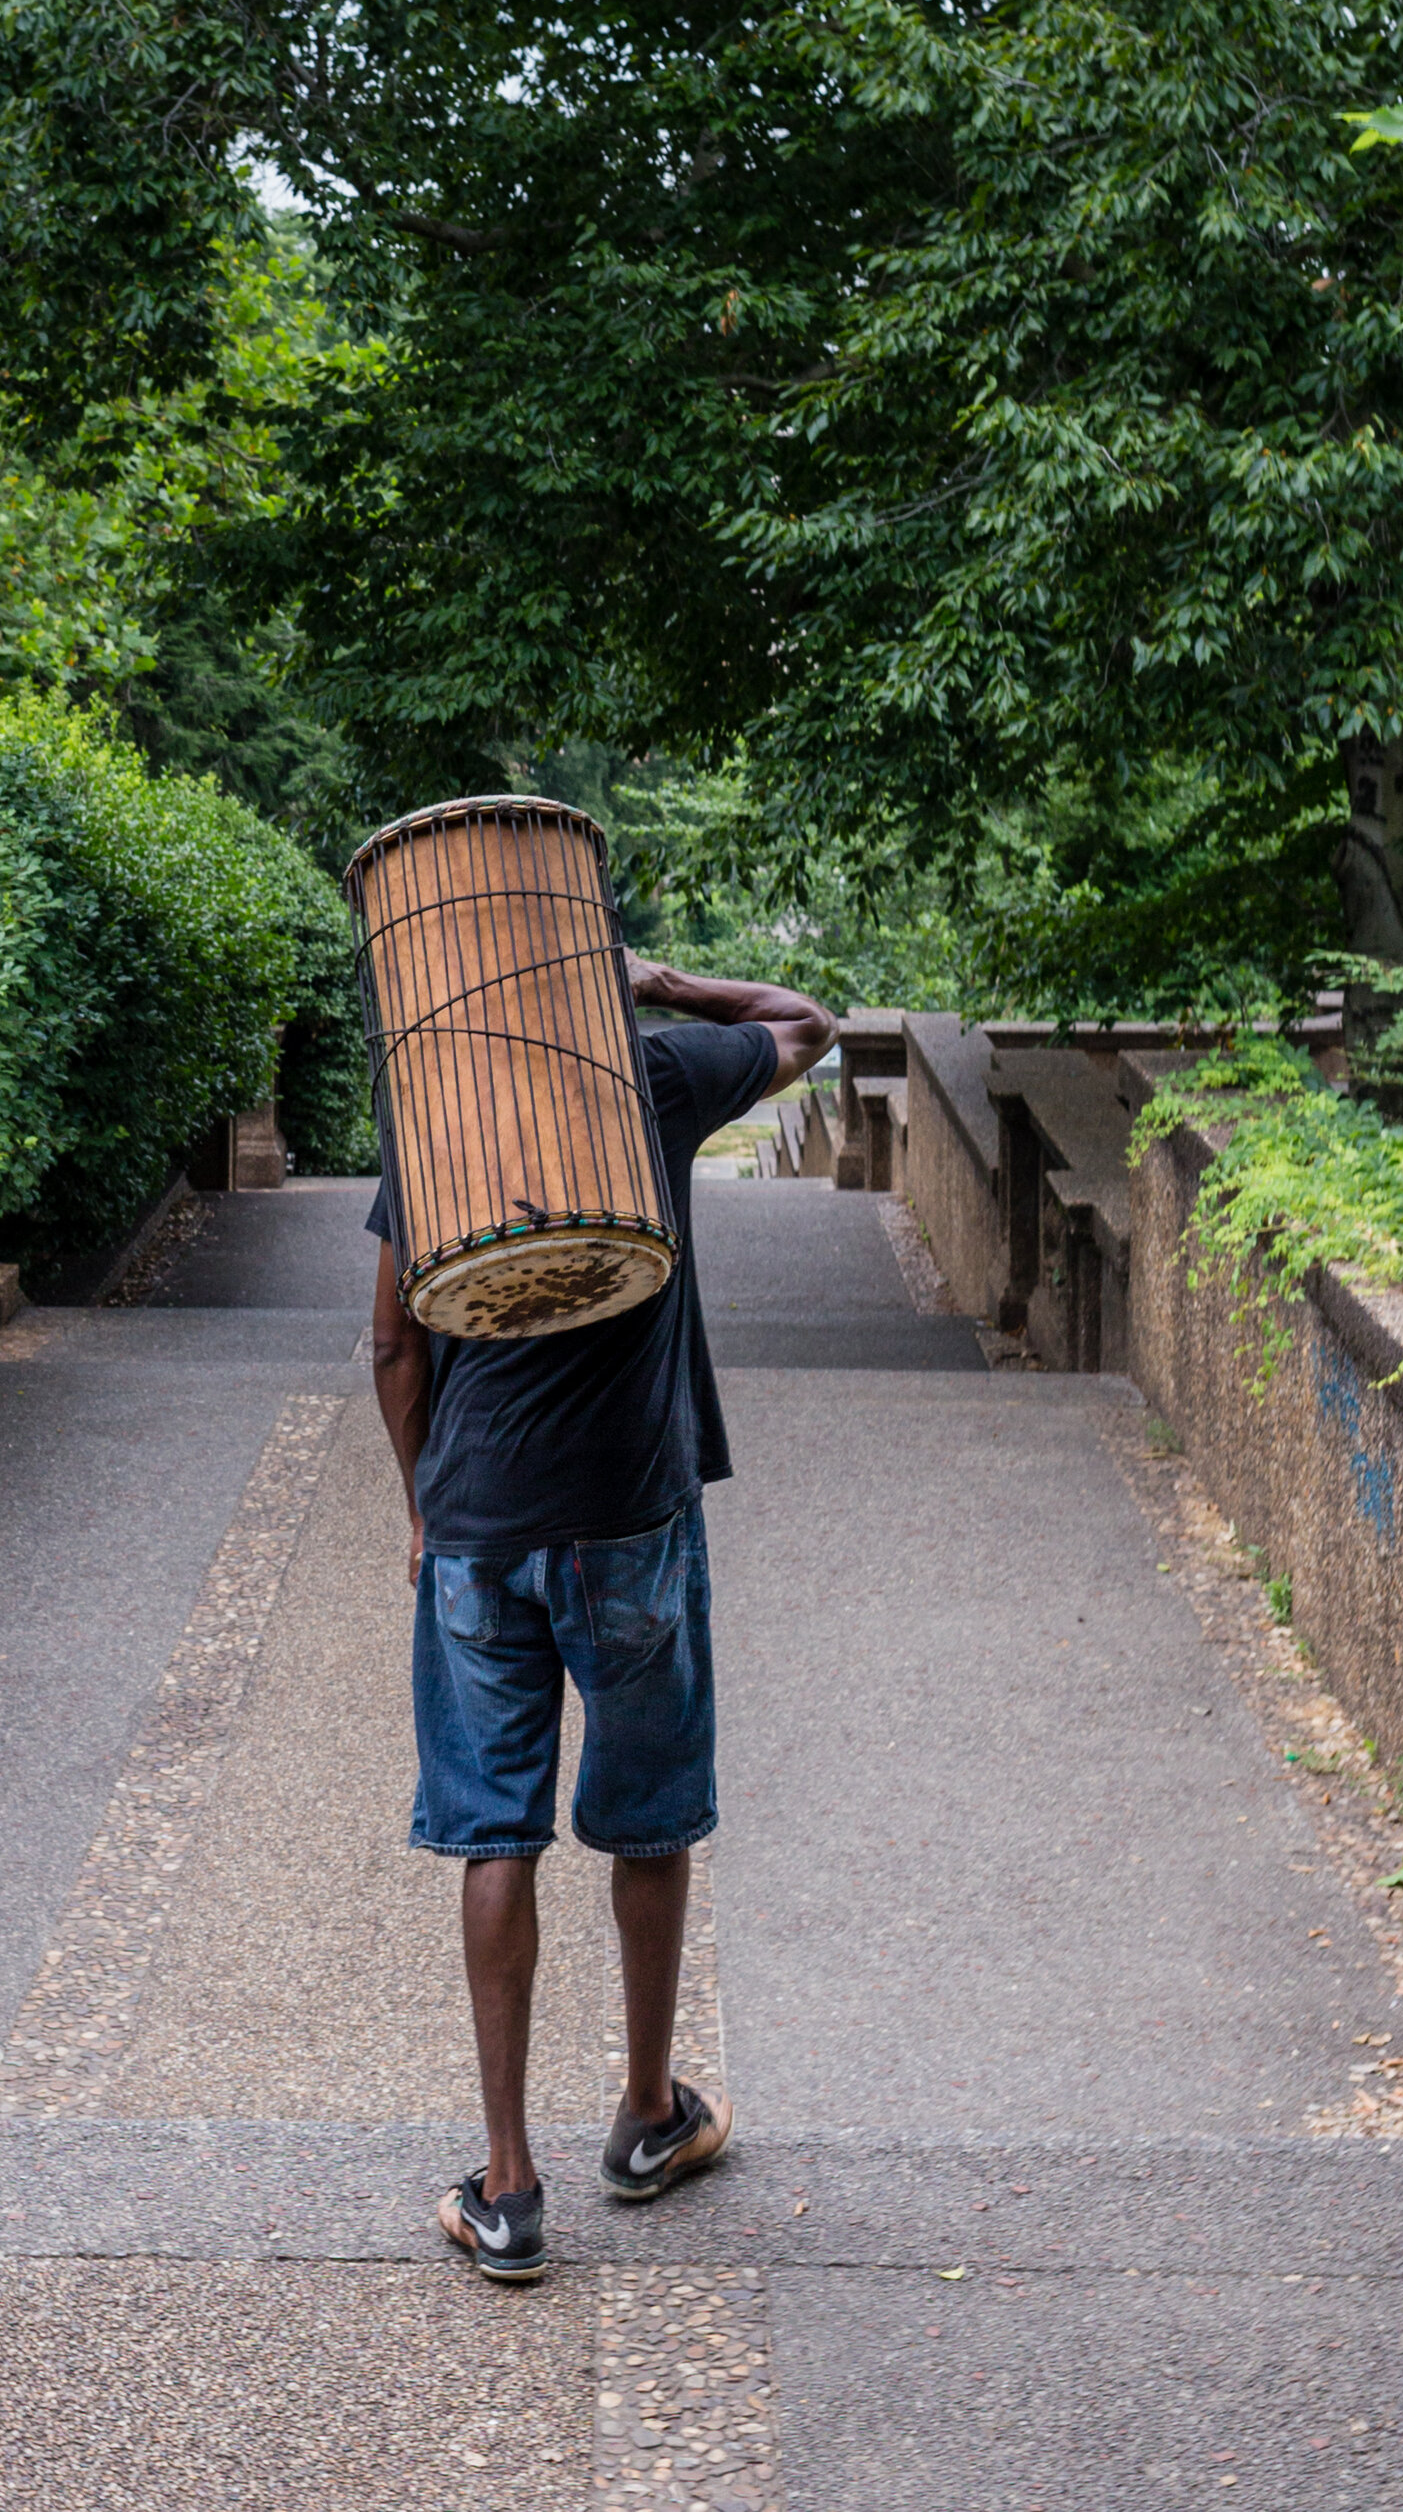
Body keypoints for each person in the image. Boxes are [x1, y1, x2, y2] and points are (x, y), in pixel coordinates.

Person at [369, 949, 836, 2284]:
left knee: (491, 1825)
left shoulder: (433, 1103)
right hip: (631, 1512)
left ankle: (509, 2186)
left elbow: (396, 1342)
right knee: (648, 1812)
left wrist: (421, 1503)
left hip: (474, 1523)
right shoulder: (652, 1072)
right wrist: (673, 985)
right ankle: (644, 2114)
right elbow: (811, 1024)